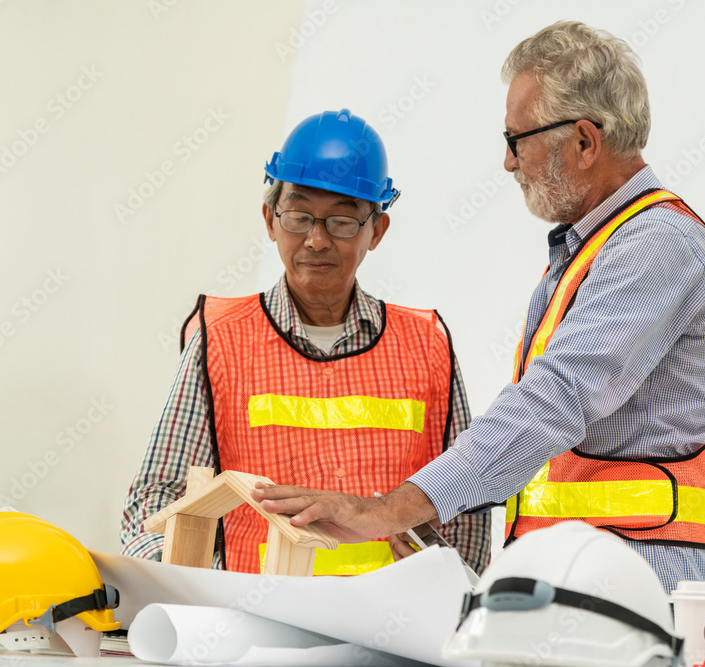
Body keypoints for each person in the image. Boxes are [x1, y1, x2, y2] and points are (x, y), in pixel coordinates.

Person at [250, 23, 705, 594]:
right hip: (581, 580)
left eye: (516, 139)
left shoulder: (657, 246)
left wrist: (387, 510)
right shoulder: (592, 250)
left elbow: (556, 396)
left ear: (584, 141)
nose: (507, 162)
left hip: (636, 587)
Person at [120, 109, 491, 576]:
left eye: (341, 221)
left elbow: (466, 504)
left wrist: (443, 580)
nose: (316, 240)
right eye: (298, 217)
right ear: (270, 220)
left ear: (377, 230)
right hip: (256, 628)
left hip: (391, 629)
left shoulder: (425, 345)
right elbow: (156, 502)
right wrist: (188, 590)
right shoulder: (222, 339)